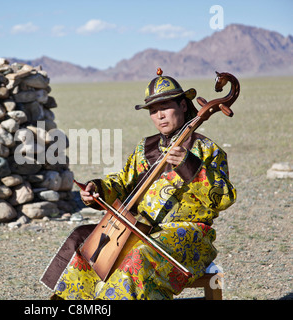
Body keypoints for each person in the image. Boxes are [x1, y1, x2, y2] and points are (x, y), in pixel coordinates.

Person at [40, 68, 237, 300]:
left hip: (189, 235)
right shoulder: (146, 148)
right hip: (139, 227)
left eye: (165, 107)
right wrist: (98, 189)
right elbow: (123, 183)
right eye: (153, 111)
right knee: (85, 246)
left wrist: (190, 166)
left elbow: (224, 198)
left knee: (138, 259)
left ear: (183, 106)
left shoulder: (206, 149)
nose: (159, 115)